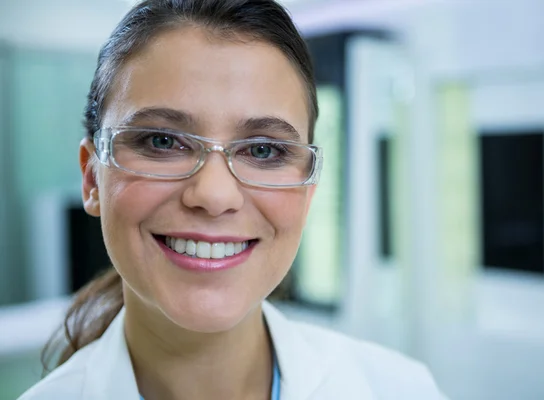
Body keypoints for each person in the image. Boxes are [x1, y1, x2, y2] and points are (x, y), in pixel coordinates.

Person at [19, 0, 446, 399]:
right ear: (92, 177)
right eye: (162, 141)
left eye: (263, 150)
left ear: (307, 190)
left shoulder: (400, 388)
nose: (214, 195)